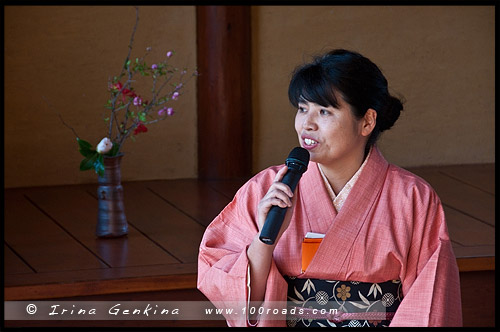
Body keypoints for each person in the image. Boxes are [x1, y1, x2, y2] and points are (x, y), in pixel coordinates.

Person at [197, 49, 462, 327]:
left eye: (324, 111)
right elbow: (229, 289)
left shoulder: (413, 199)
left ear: (367, 122)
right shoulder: (265, 189)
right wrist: (265, 240)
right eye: (302, 109)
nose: (306, 124)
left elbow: (429, 303)